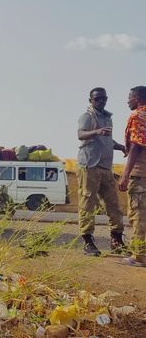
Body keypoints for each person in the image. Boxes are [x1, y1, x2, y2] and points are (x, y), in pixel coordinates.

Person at [77, 87, 126, 256]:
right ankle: (87, 241)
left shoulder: (107, 118)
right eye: (97, 99)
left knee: (113, 204)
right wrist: (96, 131)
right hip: (89, 165)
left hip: (105, 167)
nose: (101, 102)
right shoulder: (87, 116)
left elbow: (107, 140)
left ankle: (117, 239)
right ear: (91, 100)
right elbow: (81, 134)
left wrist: (121, 147)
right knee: (87, 203)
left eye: (103, 98)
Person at [119, 86, 146, 267]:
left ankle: (139, 256)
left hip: (140, 174)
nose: (127, 101)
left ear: (137, 98)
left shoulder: (138, 116)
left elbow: (137, 145)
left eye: (129, 98)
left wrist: (126, 174)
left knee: (138, 215)